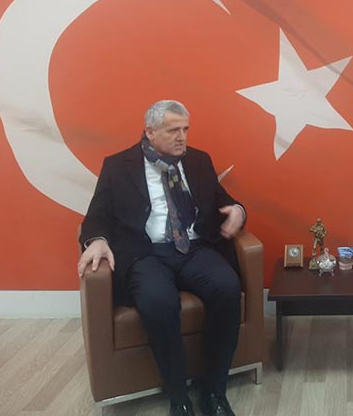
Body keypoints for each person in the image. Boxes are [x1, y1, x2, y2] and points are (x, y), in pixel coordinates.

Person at [77, 100, 246, 416]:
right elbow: (97, 215)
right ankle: (178, 396)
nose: (182, 137)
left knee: (227, 287)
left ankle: (214, 391)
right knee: (158, 302)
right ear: (150, 131)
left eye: (186, 129)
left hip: (194, 249)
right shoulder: (118, 165)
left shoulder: (198, 160)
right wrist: (97, 239)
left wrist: (238, 210)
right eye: (173, 130)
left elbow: (223, 200)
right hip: (146, 254)